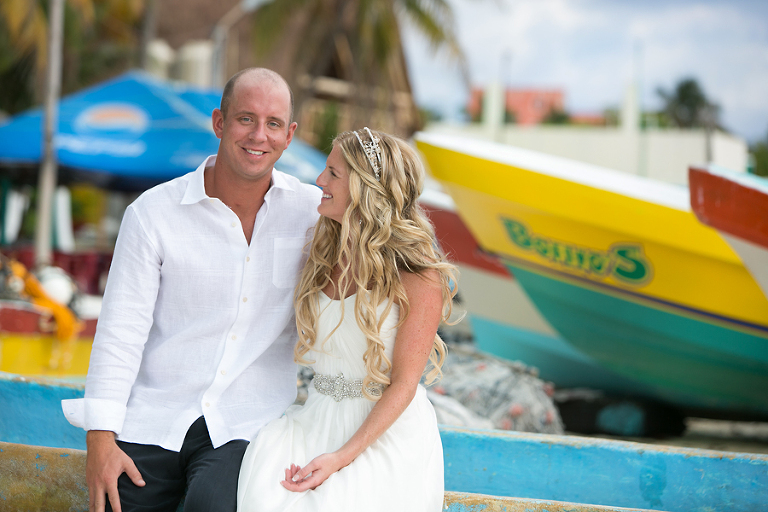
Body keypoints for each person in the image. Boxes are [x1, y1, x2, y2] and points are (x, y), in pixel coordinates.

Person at [61, 68, 321, 512]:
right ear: (219, 122)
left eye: (273, 123)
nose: (259, 135)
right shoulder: (152, 214)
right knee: (114, 503)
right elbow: (120, 333)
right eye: (245, 119)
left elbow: (380, 246)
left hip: (247, 422)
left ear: (289, 134)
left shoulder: (312, 215)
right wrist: (100, 441)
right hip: (156, 416)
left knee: (213, 505)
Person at [237, 128, 458, 512]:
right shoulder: (321, 254)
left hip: (382, 433)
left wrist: (341, 457)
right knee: (264, 490)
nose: (320, 181)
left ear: (365, 187)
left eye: (333, 173)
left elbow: (405, 384)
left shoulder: (418, 275)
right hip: (313, 418)